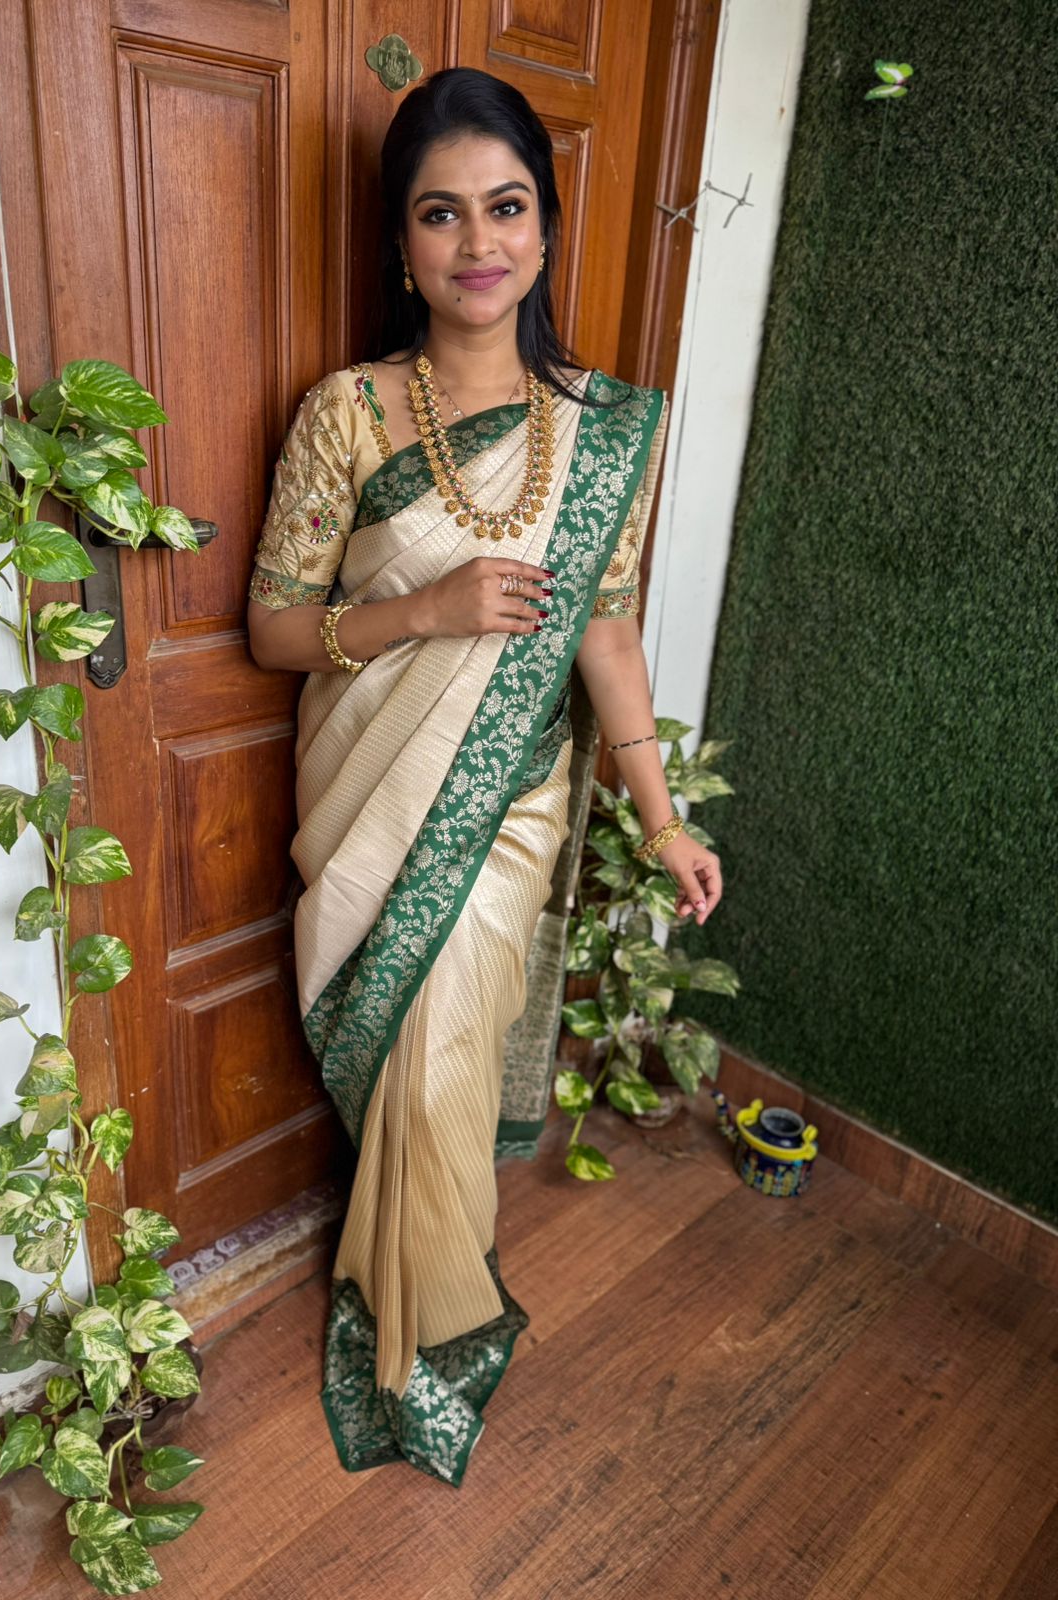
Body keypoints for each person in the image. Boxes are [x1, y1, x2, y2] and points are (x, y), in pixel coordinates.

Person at [245, 65, 723, 1487]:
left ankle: (432, 1324)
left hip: (506, 806)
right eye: (441, 213)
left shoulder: (603, 429)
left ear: (547, 228)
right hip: (372, 795)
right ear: (402, 241)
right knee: (411, 1055)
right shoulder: (346, 414)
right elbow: (275, 629)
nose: (478, 243)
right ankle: (412, 1320)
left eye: (506, 207)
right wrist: (426, 612)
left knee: (448, 1045)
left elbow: (608, 633)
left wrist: (662, 819)